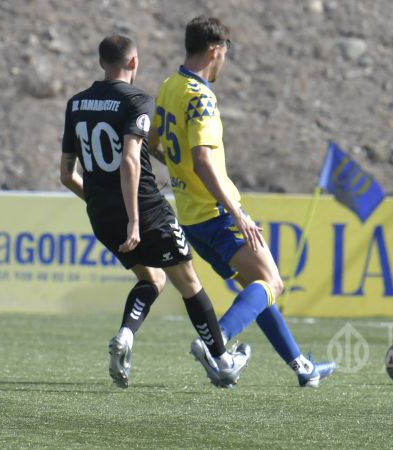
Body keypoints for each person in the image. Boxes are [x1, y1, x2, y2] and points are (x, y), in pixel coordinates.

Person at [149, 16, 335, 387]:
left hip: (190, 215)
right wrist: (238, 214)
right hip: (217, 212)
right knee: (273, 283)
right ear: (216, 50)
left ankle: (302, 367)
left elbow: (154, 142)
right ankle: (215, 342)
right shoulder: (200, 98)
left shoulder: (170, 86)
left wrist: (180, 174)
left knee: (259, 286)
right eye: (225, 55)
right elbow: (202, 159)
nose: (224, 62)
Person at [59, 33, 250, 389]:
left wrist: (101, 203)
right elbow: (131, 159)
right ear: (134, 62)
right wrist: (134, 219)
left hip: (101, 215)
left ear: (102, 63)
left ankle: (126, 336)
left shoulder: (76, 104)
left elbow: (66, 175)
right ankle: (223, 360)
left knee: (153, 279)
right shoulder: (138, 101)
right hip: (146, 212)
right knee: (190, 283)